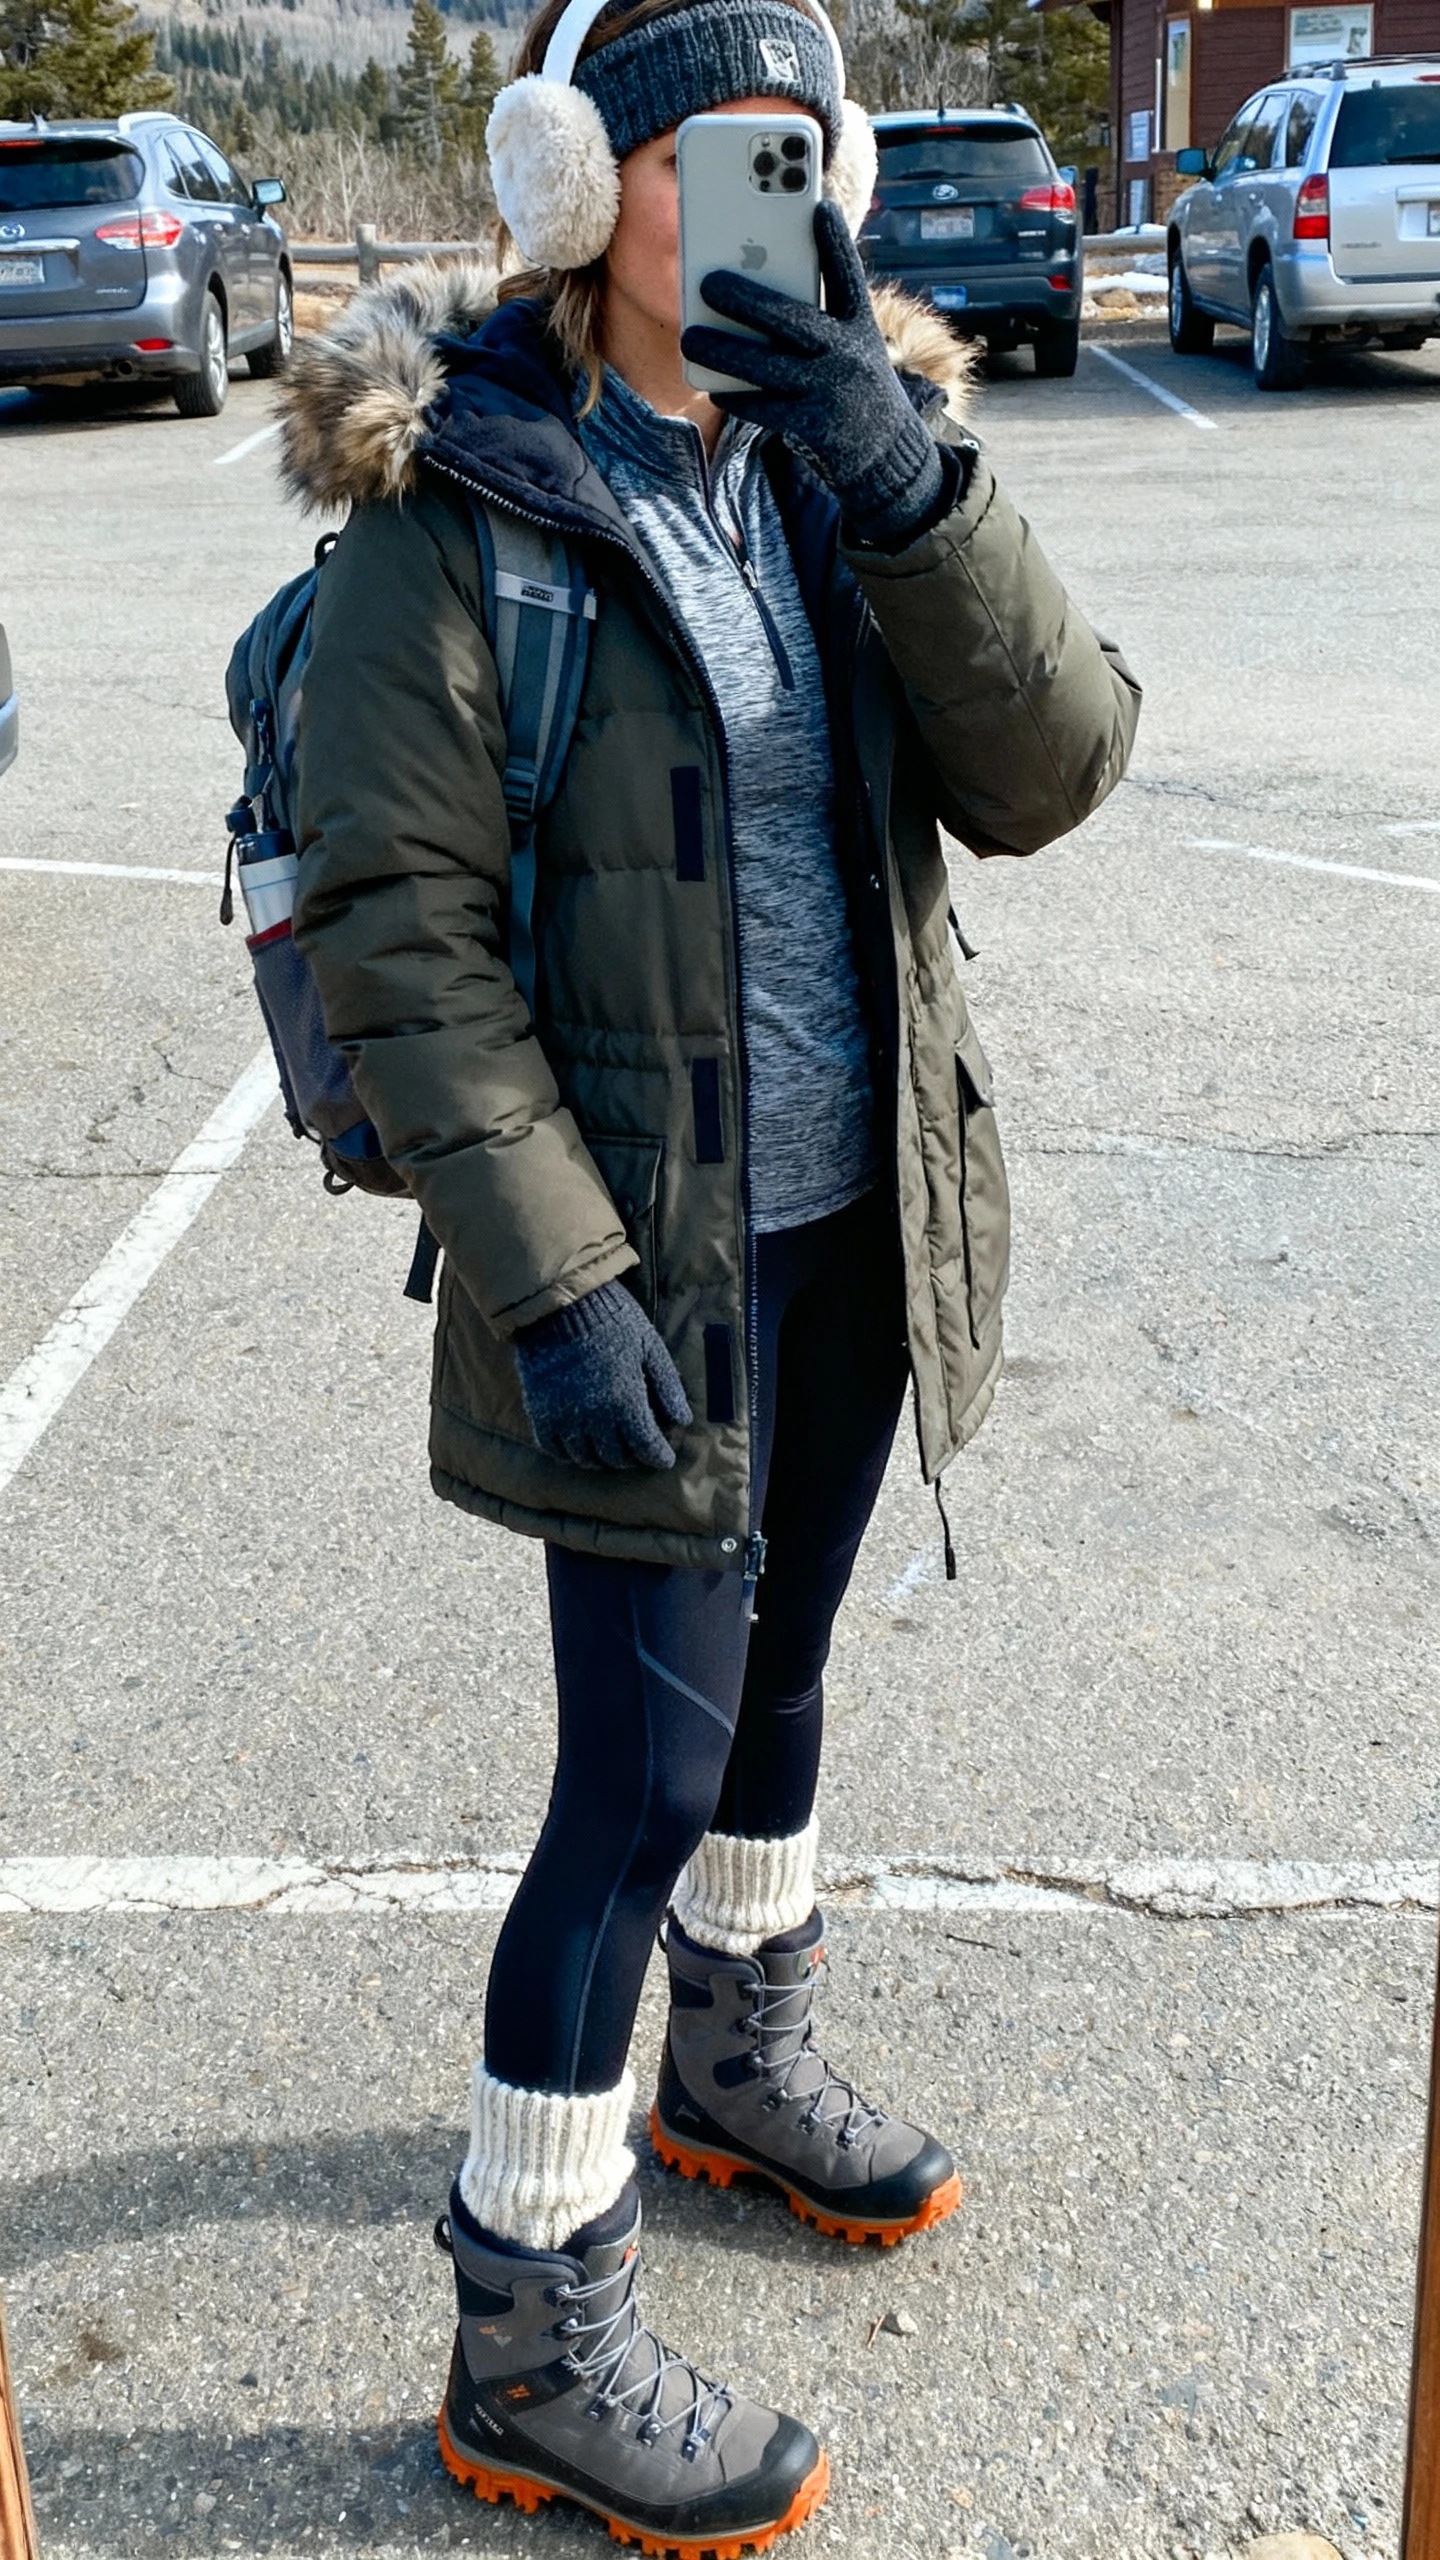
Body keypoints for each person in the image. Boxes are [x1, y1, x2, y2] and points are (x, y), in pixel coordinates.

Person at [286, 0, 1140, 2545]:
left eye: (804, 143)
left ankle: (736, 2062)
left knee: (784, 1671)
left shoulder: (835, 457)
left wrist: (910, 473)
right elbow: (404, 936)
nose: (772, 184)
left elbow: (1059, 759)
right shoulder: (468, 510)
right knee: (633, 1780)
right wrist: (552, 1283)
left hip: (857, 1222)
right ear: (579, 190)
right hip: (638, 1270)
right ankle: (526, 2321)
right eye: (709, 149)